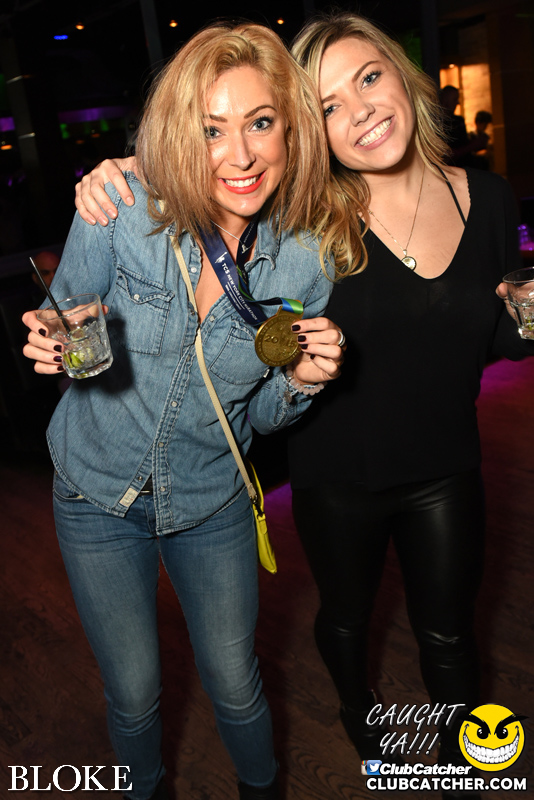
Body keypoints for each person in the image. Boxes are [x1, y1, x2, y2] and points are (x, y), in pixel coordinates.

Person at [70, 11, 531, 798]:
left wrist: (526, 318)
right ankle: (363, 722)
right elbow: (218, 177)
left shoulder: (486, 200)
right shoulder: (306, 224)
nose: (361, 110)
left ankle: (467, 773)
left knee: (450, 636)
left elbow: (492, 336)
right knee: (345, 619)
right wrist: (124, 169)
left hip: (447, 464)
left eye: (370, 77)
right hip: (338, 475)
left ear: (402, 76)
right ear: (311, 132)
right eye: (326, 105)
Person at [21, 22, 345, 800]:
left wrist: (302, 380)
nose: (240, 155)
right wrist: (48, 336)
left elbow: (262, 419)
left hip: (211, 500)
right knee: (133, 693)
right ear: (180, 134)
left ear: (291, 130)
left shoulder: (305, 263)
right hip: (96, 494)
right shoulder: (120, 207)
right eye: (210, 130)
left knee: (235, 682)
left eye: (260, 122)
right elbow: (63, 317)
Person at [439, 85, 489, 168]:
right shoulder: (438, 123)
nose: (458, 103)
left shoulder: (458, 121)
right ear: (445, 101)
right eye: (454, 99)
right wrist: (472, 146)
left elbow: (463, 144)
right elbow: (447, 155)